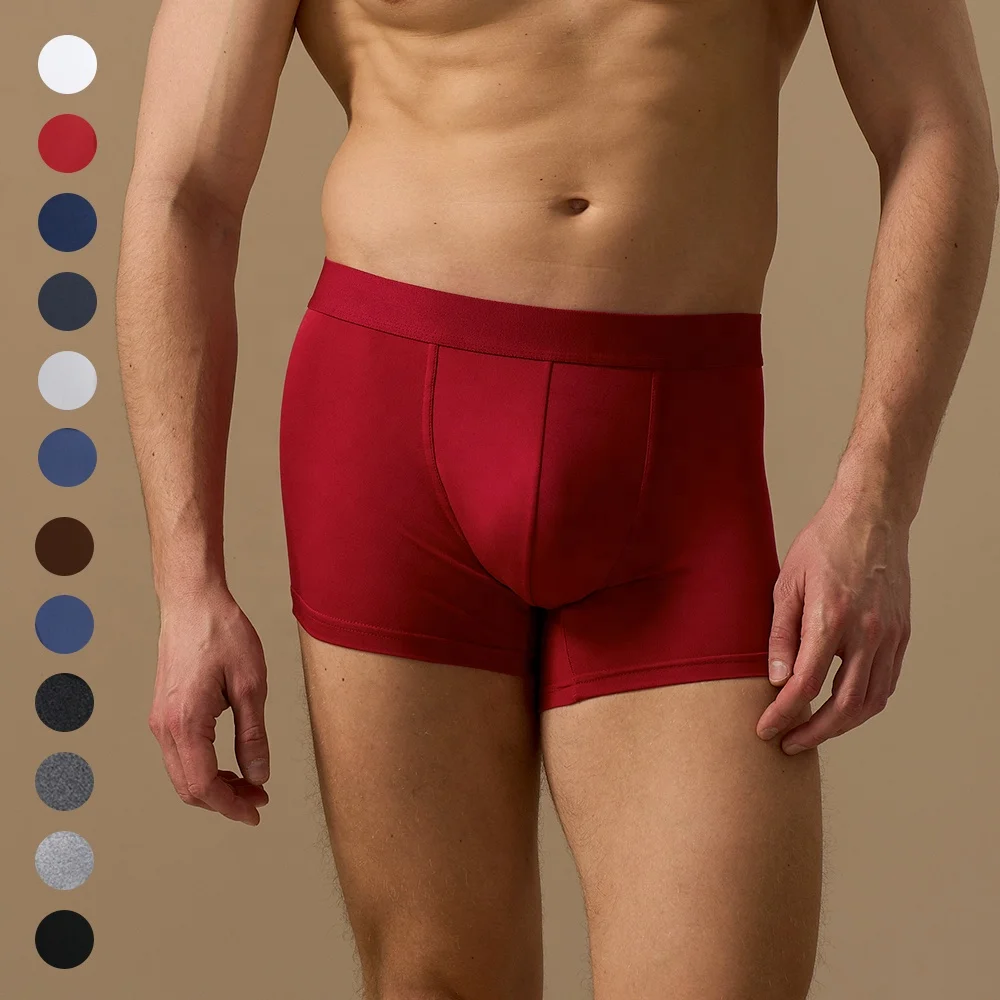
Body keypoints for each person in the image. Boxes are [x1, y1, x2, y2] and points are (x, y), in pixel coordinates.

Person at [115, 0, 998, 996]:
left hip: (677, 455)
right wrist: (186, 585)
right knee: (435, 981)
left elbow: (934, 124)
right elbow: (186, 190)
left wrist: (878, 498)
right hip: (388, 441)